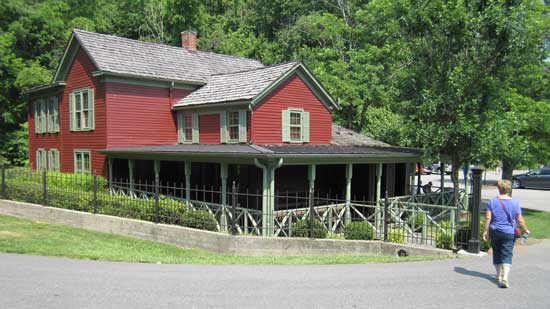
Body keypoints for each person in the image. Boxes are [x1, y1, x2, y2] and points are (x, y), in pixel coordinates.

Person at [482, 179, 530, 288]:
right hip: (509, 232)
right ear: (509, 189)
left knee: (497, 252)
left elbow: (488, 217)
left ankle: (498, 275)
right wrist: (525, 229)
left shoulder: (492, 202)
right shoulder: (515, 202)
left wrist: (486, 231)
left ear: (498, 188)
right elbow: (520, 219)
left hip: (495, 231)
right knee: (507, 253)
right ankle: (505, 277)